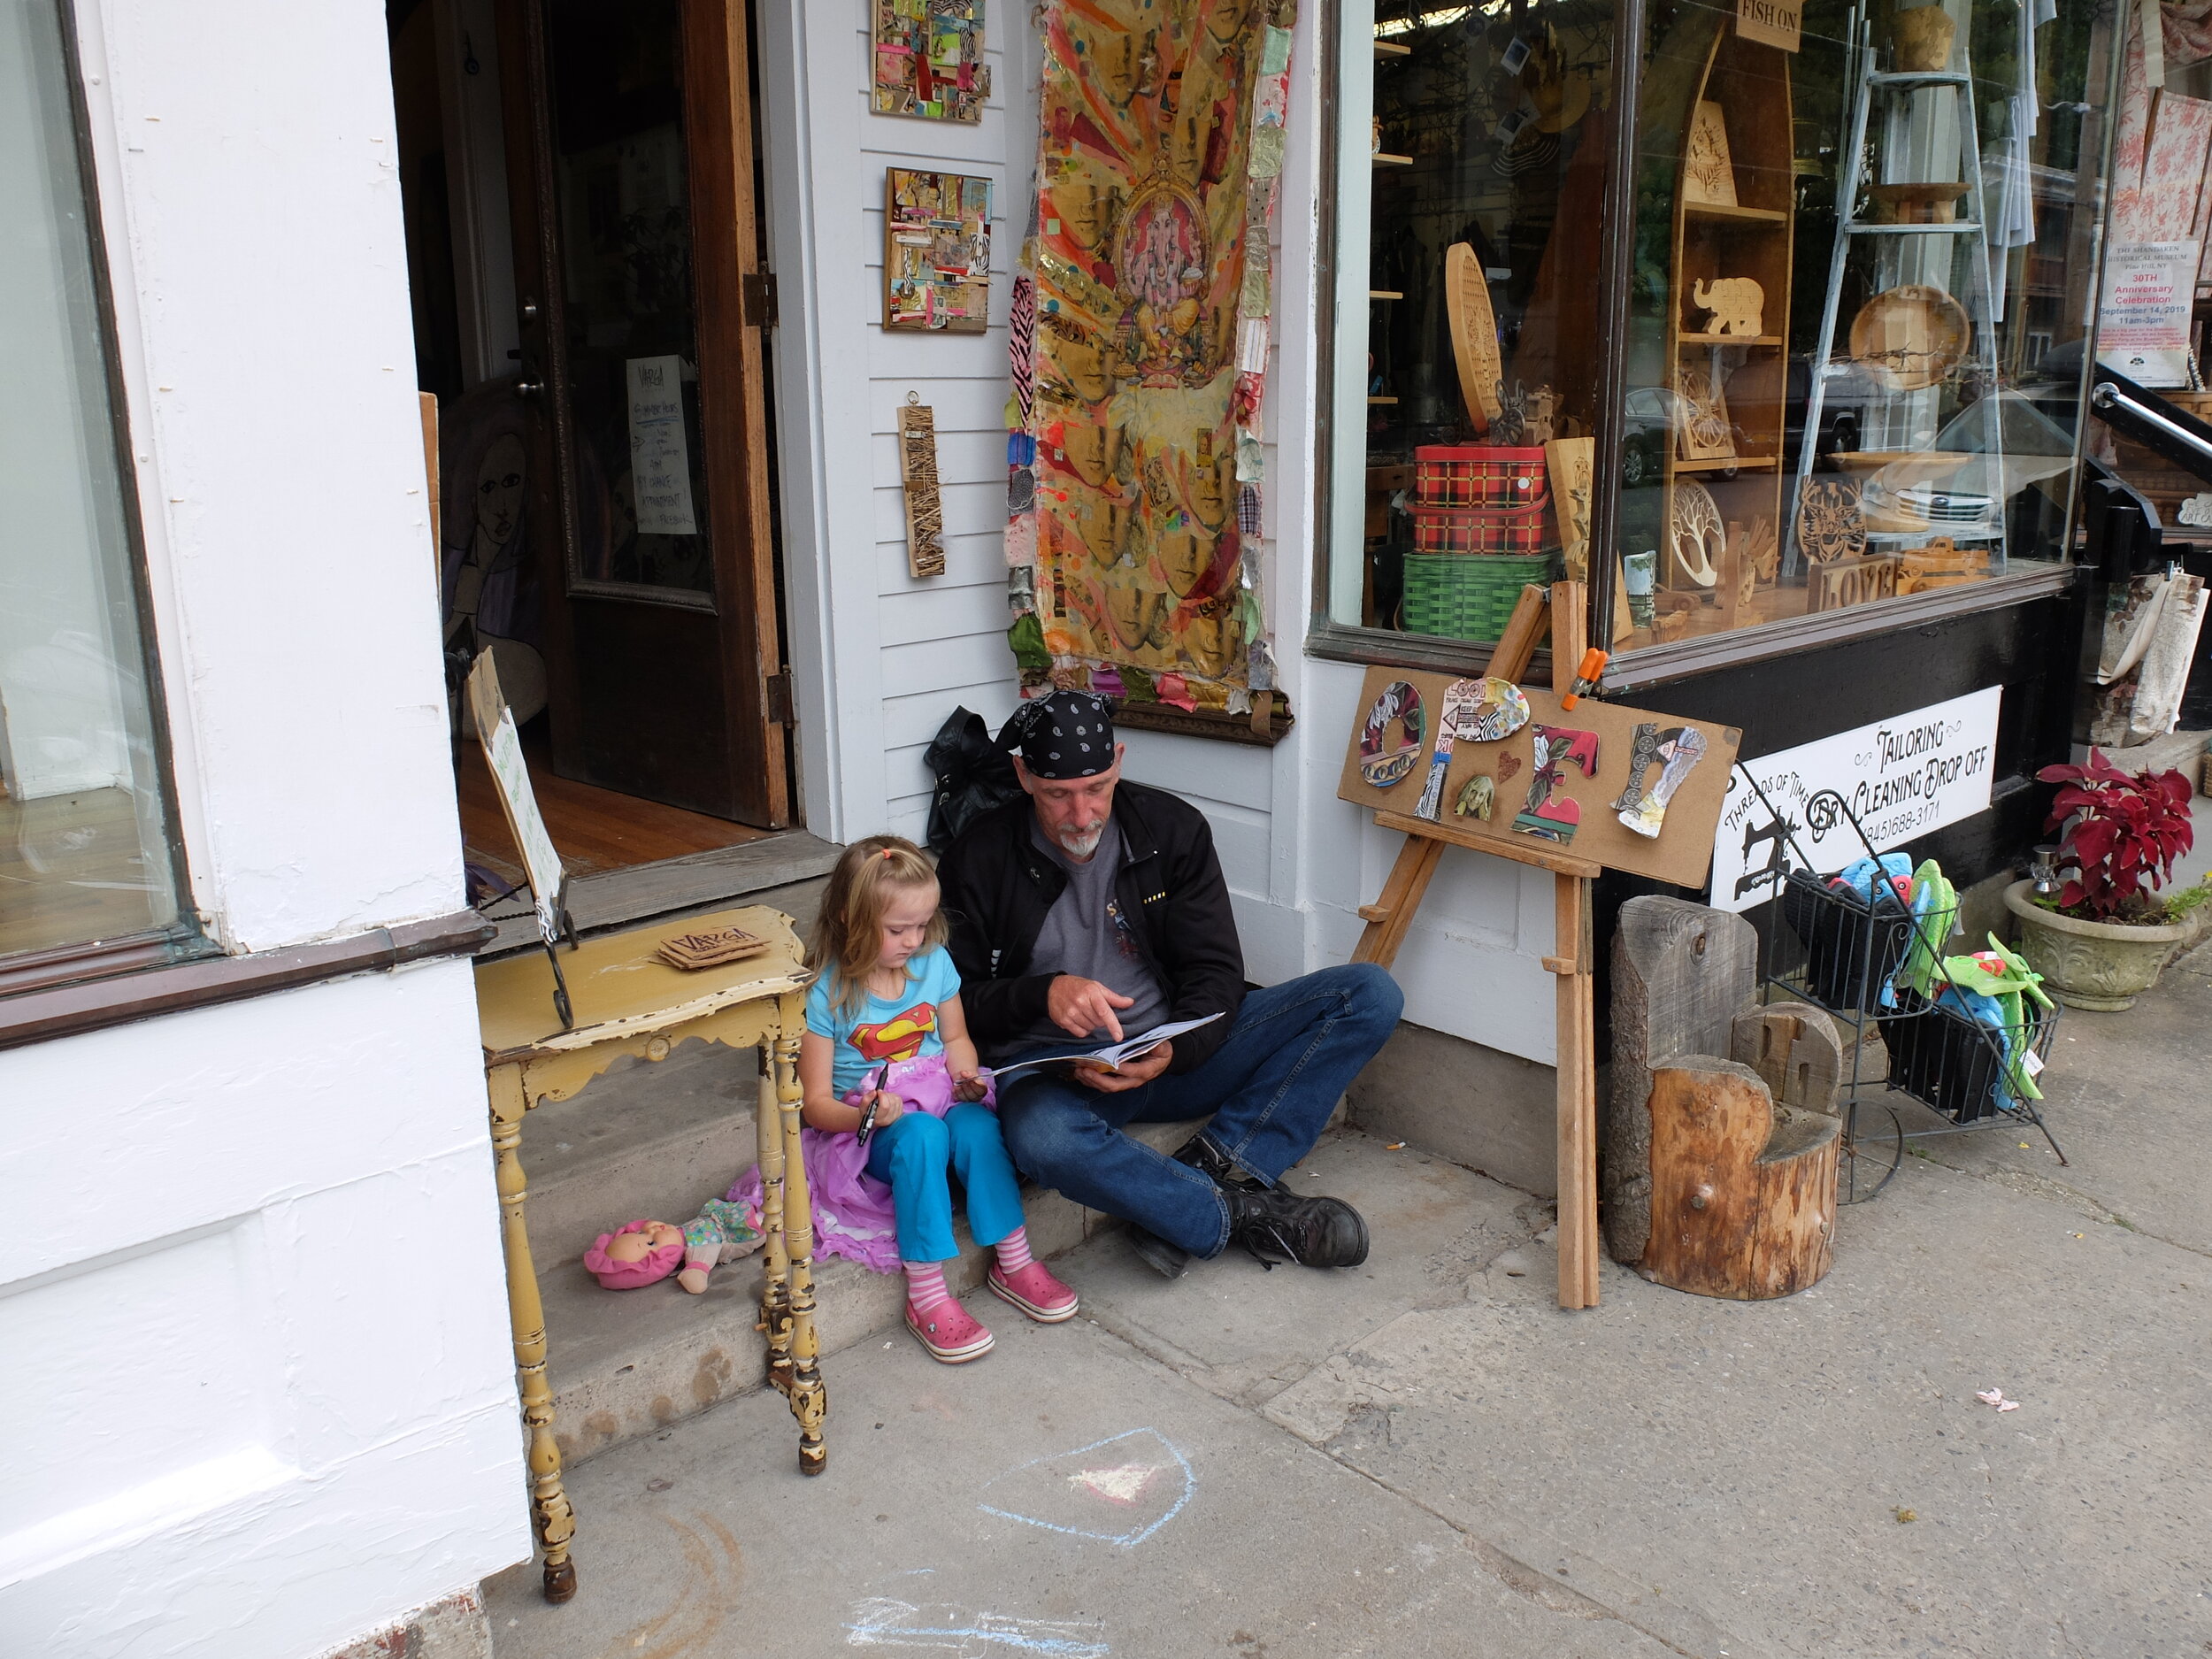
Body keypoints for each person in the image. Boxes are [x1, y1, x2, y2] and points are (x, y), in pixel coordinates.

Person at [938, 691, 1403, 1278]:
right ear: (1024, 775)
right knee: (1043, 1139)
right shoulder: (976, 857)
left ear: (1120, 762)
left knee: (1368, 993)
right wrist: (1042, 994)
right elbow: (954, 1000)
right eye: (1059, 794)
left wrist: (1176, 1048)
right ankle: (1231, 1212)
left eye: (1097, 787)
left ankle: (1220, 1159)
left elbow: (1215, 973)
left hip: (1175, 1054)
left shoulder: (1172, 830)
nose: (1082, 815)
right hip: (1062, 1077)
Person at [797, 836, 1079, 1363]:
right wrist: (864, 1113)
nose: (914, 940)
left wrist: (966, 1075)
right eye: (898, 929)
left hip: (937, 1097)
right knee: (924, 1134)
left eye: (923, 925)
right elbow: (814, 1104)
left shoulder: (934, 966)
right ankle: (927, 1292)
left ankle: (1013, 1261)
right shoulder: (826, 994)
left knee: (974, 1125)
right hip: (873, 1132)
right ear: (848, 919)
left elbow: (953, 1040)